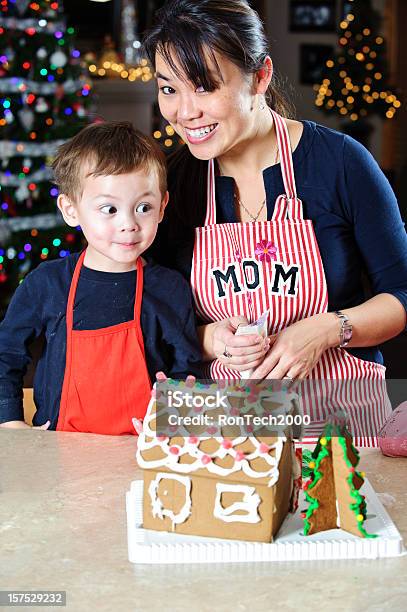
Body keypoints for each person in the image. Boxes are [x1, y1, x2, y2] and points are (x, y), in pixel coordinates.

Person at [143, 0, 407, 445]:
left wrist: (327, 329)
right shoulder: (173, 181)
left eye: (204, 87)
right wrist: (209, 340)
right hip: (219, 430)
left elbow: (401, 294)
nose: (184, 112)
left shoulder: (341, 162)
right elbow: (144, 310)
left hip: (337, 420)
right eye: (169, 89)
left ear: (261, 76)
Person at [0, 121, 202, 433]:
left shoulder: (169, 288)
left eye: (143, 207)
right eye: (109, 209)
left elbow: (187, 371)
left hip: (141, 453)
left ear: (162, 207)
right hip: (57, 452)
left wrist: (171, 425)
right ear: (71, 209)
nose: (129, 224)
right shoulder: (48, 283)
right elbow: (6, 355)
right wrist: (11, 422)